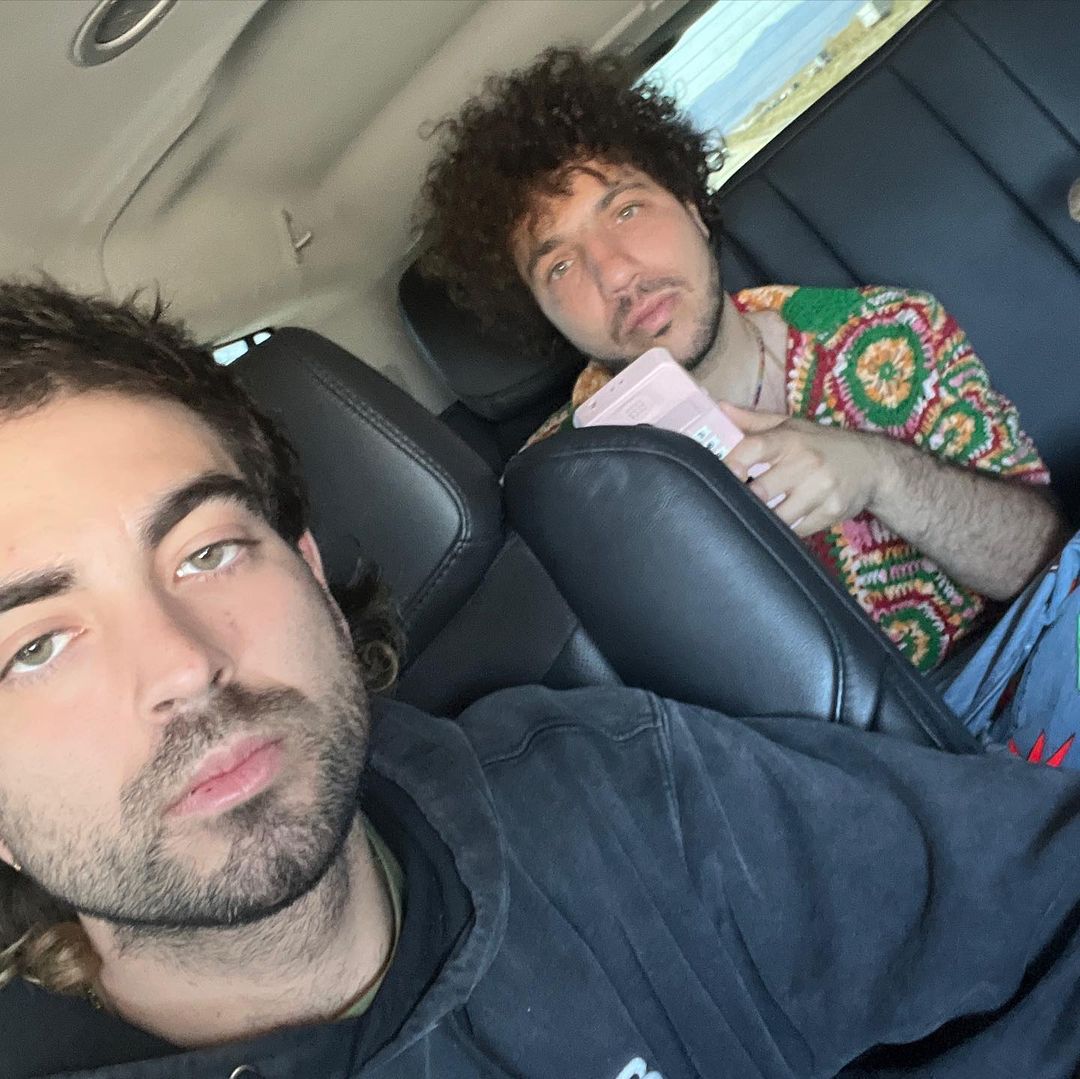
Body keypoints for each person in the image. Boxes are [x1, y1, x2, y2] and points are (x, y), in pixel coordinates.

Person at [5, 281, 1080, 1078]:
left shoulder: (610, 783)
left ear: (312, 574)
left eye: (207, 551)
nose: (183, 662)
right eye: (36, 646)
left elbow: (1041, 919)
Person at [417, 48, 1067, 673]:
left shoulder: (889, 332)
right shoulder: (553, 494)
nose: (614, 273)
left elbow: (1043, 561)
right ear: (543, 313)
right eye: (559, 265)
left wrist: (881, 473)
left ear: (694, 210)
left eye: (627, 210)